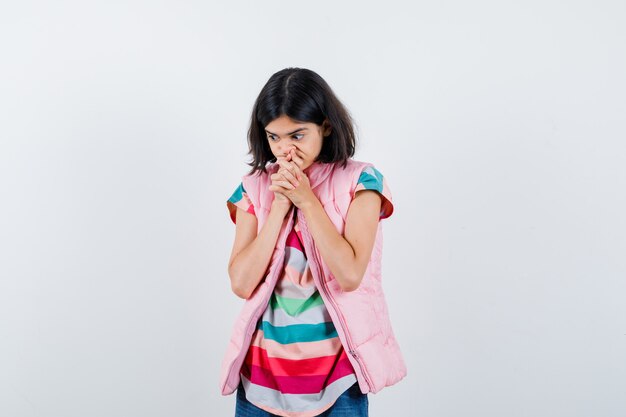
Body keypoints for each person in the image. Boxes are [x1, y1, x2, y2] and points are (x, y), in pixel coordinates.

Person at [221, 68, 407, 417]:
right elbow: (241, 283)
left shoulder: (362, 182)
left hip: (338, 383)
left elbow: (350, 274)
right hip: (260, 383)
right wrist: (279, 207)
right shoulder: (252, 188)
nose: (284, 150)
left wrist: (307, 201)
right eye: (274, 138)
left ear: (325, 126)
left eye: (297, 135)